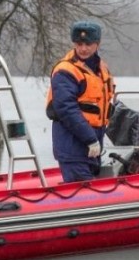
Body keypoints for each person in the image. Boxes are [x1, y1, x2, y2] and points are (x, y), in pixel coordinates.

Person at [46, 20, 115, 183]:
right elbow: (66, 109)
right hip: (73, 147)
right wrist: (90, 139)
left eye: (88, 44)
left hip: (93, 147)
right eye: (79, 43)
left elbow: (104, 106)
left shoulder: (101, 69)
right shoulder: (66, 71)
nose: (83, 48)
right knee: (84, 193)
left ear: (97, 44)